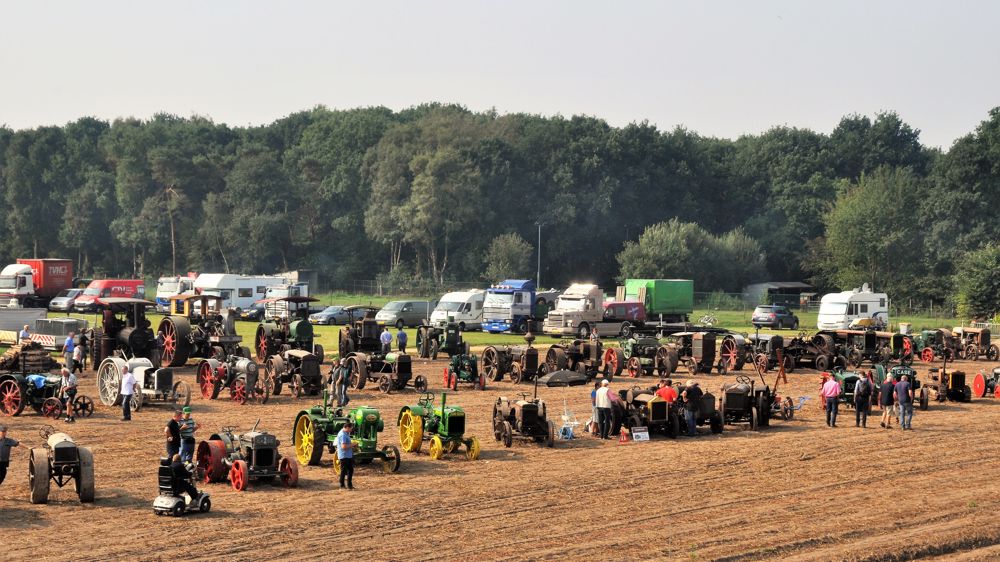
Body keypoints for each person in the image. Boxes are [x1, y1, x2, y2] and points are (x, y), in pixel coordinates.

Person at [336, 420, 355, 490]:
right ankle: (342, 485)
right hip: (344, 455)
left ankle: (348, 485)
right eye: (351, 429)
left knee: (349, 470)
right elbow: (343, 447)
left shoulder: (345, 433)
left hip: (347, 455)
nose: (351, 430)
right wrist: (353, 444)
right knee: (345, 470)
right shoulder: (343, 435)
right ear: (347, 427)